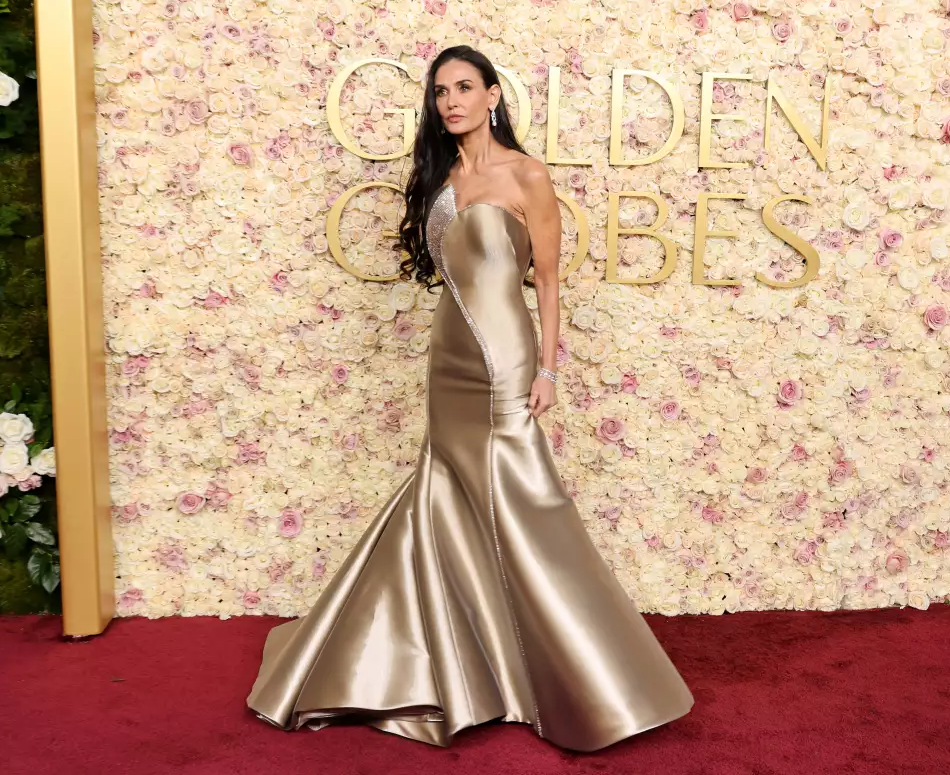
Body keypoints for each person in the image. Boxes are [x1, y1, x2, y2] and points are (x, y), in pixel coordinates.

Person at [246, 45, 693, 752]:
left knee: (527, 505)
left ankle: (596, 678)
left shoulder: (527, 174)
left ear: (492, 95)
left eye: (463, 87)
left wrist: (548, 371)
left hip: (507, 359)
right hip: (447, 360)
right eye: (440, 92)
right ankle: (467, 669)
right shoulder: (439, 178)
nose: (450, 101)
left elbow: (546, 281)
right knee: (445, 498)